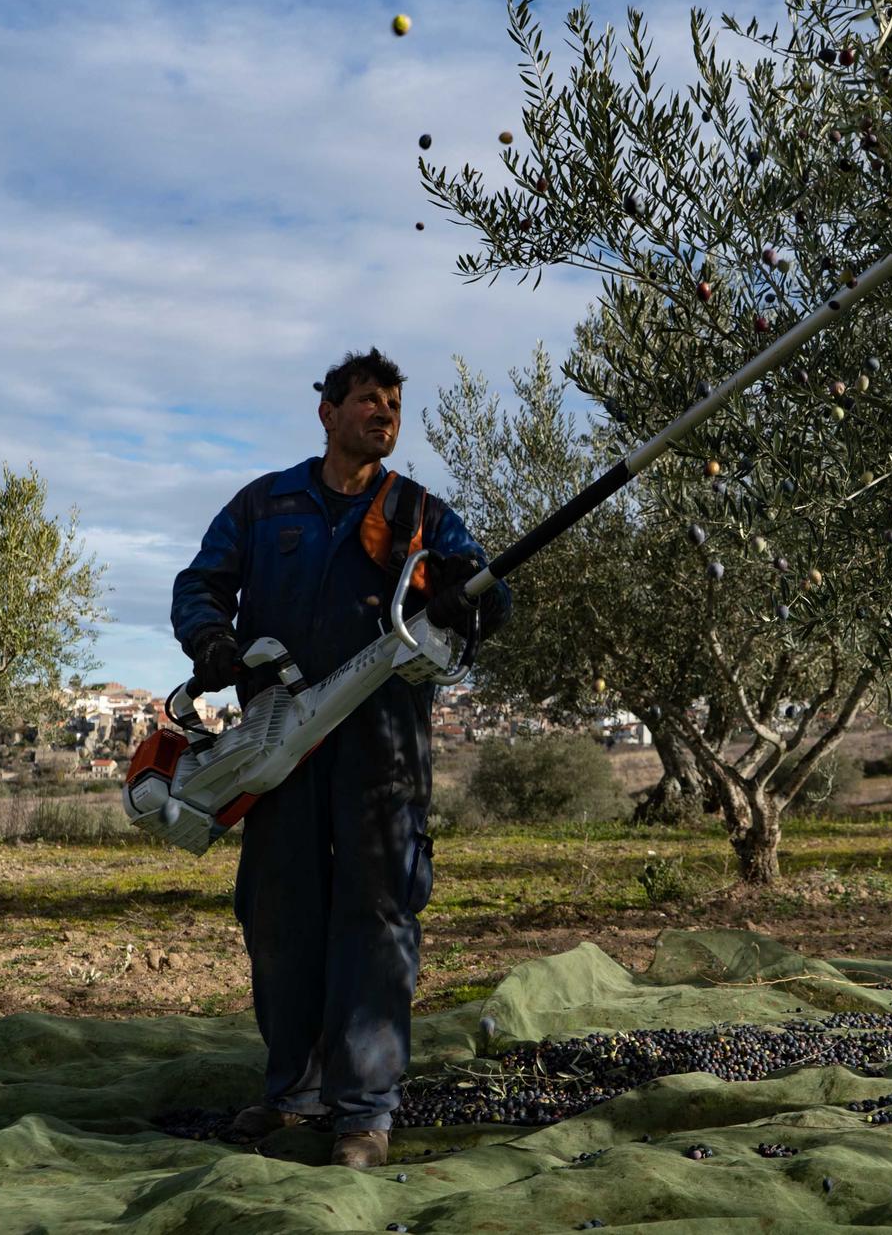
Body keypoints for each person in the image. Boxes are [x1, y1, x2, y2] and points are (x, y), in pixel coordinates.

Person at [170, 347, 510, 1169]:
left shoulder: (422, 512)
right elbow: (200, 583)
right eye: (366, 399)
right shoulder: (263, 506)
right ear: (327, 411)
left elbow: (490, 598)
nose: (383, 413)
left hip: (382, 747)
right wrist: (213, 640)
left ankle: (364, 1110)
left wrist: (468, 594)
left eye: (392, 402)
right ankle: (293, 1092)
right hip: (277, 743)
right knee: (279, 914)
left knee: (376, 913)